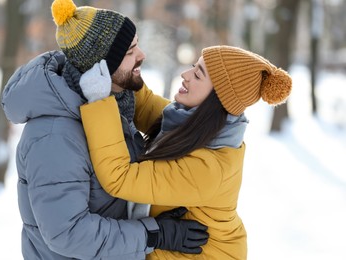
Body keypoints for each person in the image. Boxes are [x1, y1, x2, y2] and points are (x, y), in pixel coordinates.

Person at [1, 0, 208, 259]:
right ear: (100, 66)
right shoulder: (54, 136)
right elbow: (68, 233)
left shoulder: (113, 104)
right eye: (130, 50)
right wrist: (153, 234)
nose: (142, 55)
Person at [78, 45, 293, 259]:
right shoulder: (192, 123)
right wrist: (123, 62)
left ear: (217, 98)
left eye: (198, 75)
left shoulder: (209, 169)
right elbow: (142, 105)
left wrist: (99, 101)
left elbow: (120, 177)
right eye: (193, 67)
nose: (185, 75)